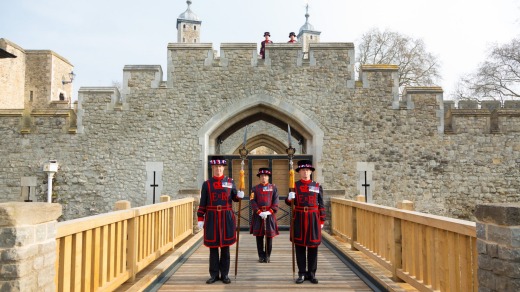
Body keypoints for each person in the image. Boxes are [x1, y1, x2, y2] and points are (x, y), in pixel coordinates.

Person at [197, 156, 244, 284]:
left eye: (220, 167)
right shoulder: (207, 184)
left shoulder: (230, 181)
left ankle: (225, 274)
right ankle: (213, 274)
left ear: (223, 168)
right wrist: (200, 217)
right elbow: (202, 203)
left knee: (225, 247)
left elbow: (234, 198)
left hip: (226, 217)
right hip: (212, 217)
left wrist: (239, 195)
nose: (218, 169)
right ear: (213, 168)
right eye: (216, 167)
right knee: (213, 247)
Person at [286, 160, 325, 284]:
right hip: (299, 217)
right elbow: (289, 203)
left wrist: (322, 219)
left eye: (308, 170)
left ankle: (312, 273)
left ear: (311, 172)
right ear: (299, 172)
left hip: (313, 217)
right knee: (300, 246)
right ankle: (301, 273)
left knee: (313, 246)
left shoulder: (317, 185)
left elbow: (321, 204)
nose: (305, 172)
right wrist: (289, 198)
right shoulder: (294, 186)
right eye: (303, 170)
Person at [249, 167, 280, 263]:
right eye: (262, 176)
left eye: (266, 176)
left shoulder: (274, 188)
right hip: (258, 215)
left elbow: (276, 201)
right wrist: (259, 212)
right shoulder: (254, 189)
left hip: (269, 215)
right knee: (259, 236)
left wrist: (269, 212)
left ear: (268, 177)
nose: (264, 178)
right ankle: (261, 255)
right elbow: (252, 201)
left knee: (269, 237)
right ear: (259, 177)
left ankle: (267, 255)